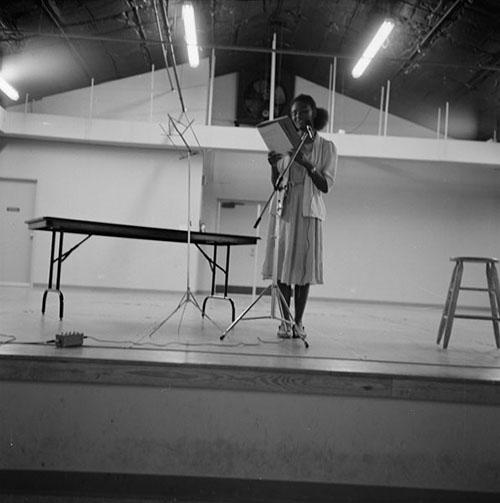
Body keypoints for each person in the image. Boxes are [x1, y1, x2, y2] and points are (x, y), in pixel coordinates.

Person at [262, 94, 338, 339]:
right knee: (283, 270)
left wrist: (307, 164)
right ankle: (284, 322)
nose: (297, 116)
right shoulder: (284, 145)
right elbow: (276, 183)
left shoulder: (326, 147)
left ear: (313, 113)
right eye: (294, 113)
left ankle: (298, 322)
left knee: (302, 271)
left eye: (303, 111)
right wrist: (274, 165)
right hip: (284, 209)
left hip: (307, 213)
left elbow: (325, 186)